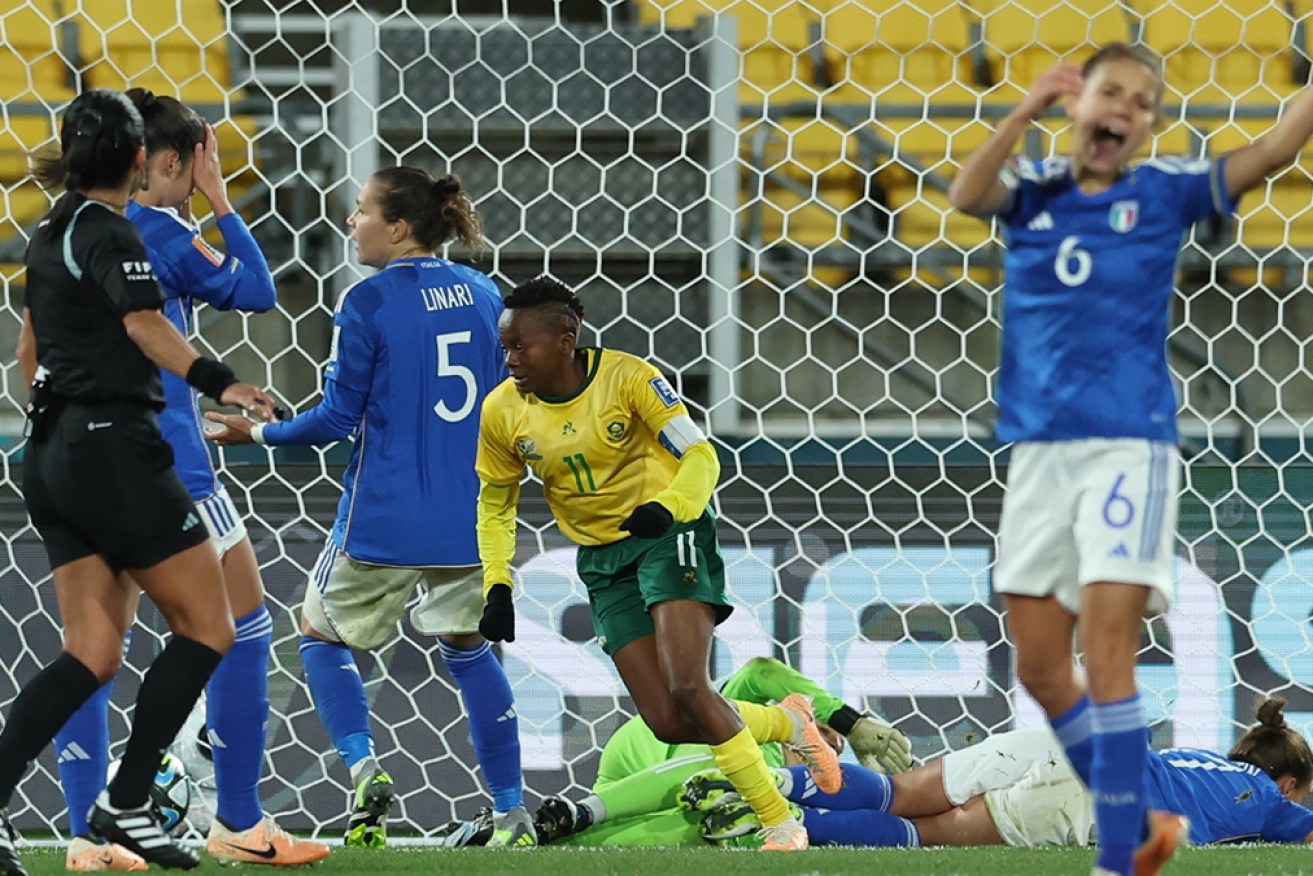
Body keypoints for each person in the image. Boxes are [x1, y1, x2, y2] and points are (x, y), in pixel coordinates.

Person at [946, 42, 1313, 876]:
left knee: (1107, 653)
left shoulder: (1162, 193)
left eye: (1142, 102)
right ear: (1079, 106)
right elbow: (965, 192)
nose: (1124, 108)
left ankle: (1120, 856)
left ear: (1146, 125)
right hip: (1037, 452)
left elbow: (1275, 150)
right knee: (1041, 666)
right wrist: (1023, 109)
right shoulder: (1034, 195)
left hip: (1126, 447)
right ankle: (1136, 819)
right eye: (1110, 91)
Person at [204, 166, 535, 847]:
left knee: (319, 634)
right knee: (472, 652)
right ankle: (511, 814)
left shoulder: (366, 302)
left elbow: (333, 422)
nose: (350, 223)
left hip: (382, 519)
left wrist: (258, 432)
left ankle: (364, 771)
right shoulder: (482, 293)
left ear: (400, 226)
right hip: (469, 520)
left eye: (360, 211)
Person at [47, 88, 330, 871]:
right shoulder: (163, 229)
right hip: (171, 461)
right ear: (164, 161)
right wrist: (218, 197)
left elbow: (37, 355)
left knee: (92, 648)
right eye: (192, 166)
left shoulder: (67, 229)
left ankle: (85, 837)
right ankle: (236, 818)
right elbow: (257, 290)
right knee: (243, 625)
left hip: (83, 457)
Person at [0, 89, 279, 876]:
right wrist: (223, 382)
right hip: (117, 454)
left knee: (89, 652)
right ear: (135, 160)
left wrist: (63, 413)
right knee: (211, 628)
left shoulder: (46, 233)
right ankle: (128, 800)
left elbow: (28, 356)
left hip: (50, 453)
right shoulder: (111, 230)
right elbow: (144, 323)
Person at [474, 276, 845, 852]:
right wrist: (497, 583)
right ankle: (791, 722)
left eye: (522, 346)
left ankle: (779, 822)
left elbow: (701, 454)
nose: (510, 359)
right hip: (602, 560)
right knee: (668, 721)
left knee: (689, 686)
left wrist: (667, 507)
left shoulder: (630, 378)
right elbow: (496, 502)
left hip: (670, 532)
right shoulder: (501, 412)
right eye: (506, 347)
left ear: (567, 337)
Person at [682, 697, 1313, 852]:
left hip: (1066, 743)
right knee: (931, 835)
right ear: (1287, 784)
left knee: (903, 793)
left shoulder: (1194, 758)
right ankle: (793, 824)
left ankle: (783, 782)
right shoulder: (1271, 802)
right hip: (1096, 801)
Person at [435, 656, 911, 848]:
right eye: (826, 733)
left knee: (716, 822)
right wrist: (848, 715)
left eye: (837, 745)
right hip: (650, 751)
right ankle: (534, 831)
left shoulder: (795, 793)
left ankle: (520, 834)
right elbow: (765, 669)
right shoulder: (742, 709)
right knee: (715, 780)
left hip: (634, 796)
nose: (829, 745)